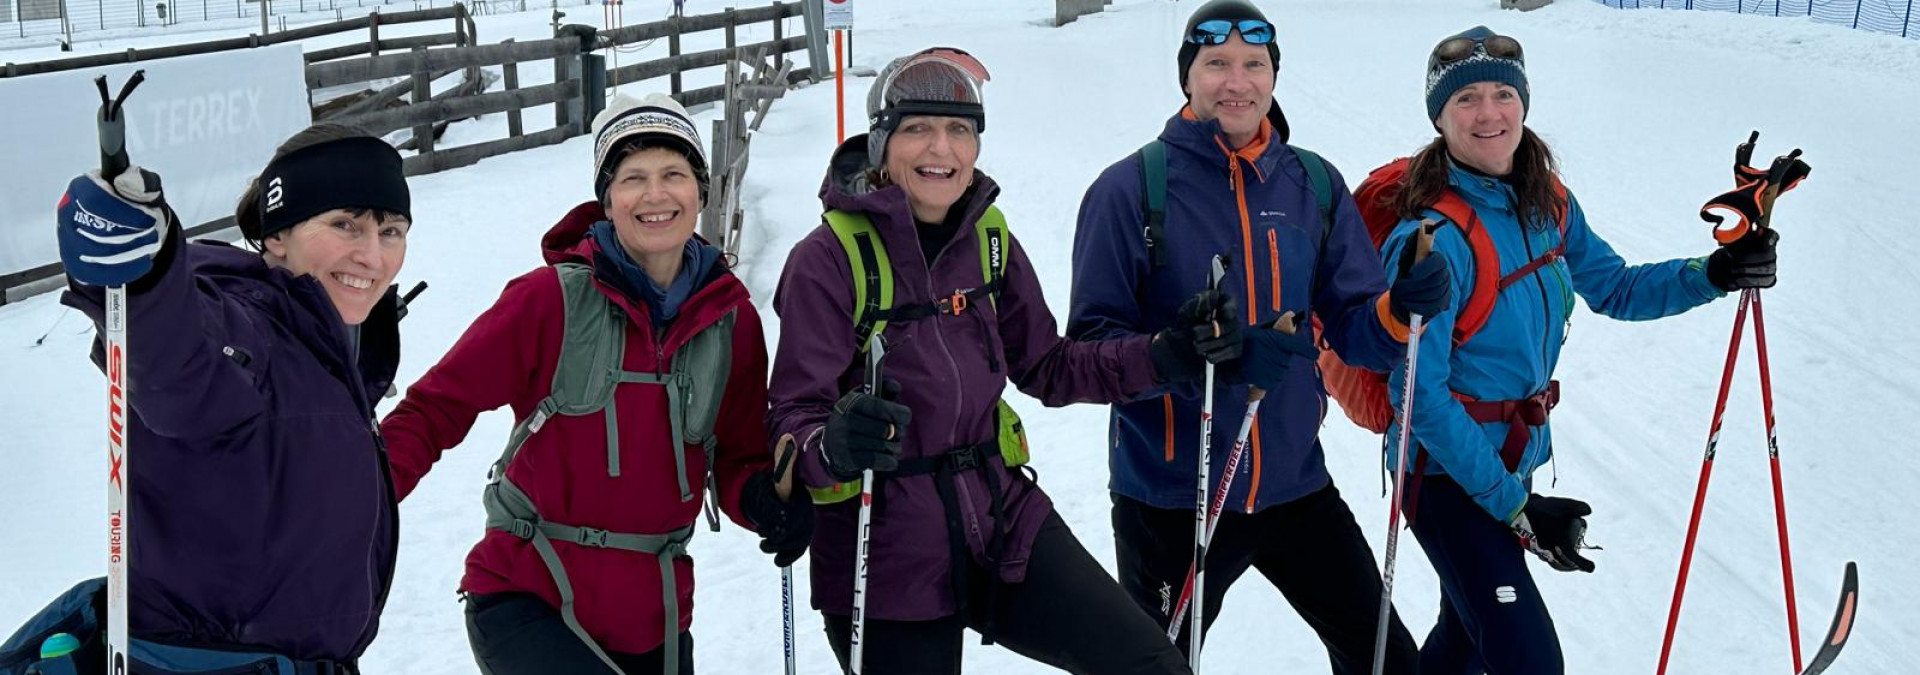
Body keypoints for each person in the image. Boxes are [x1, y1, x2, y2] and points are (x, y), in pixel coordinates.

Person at [766, 47, 1199, 674]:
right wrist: (831, 444)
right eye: (917, 128)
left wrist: (1161, 355)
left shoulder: (988, 238)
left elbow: (1048, 365)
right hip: (883, 550)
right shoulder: (829, 258)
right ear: (882, 143)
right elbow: (793, 413)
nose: (941, 148)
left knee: (1151, 664)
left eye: (959, 130)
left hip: (1000, 520)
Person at [1375, 26, 1783, 674]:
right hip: (1445, 474)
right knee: (1527, 657)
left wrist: (1715, 272)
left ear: (1523, 103)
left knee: (1467, 636)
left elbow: (1616, 287)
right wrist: (1516, 506)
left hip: (1512, 460)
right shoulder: (1432, 239)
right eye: (1466, 99)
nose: (1488, 114)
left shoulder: (1547, 202)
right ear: (1439, 118)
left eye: (1503, 95)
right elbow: (1417, 397)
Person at [1066, 1, 1452, 673]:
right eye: (1216, 63)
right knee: (1153, 666)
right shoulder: (1130, 190)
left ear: (1274, 76)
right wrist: (1189, 353)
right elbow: (1087, 356)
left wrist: (1400, 309)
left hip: (1293, 484)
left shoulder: (1313, 184)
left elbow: (1359, 333)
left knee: (1387, 660)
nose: (1236, 82)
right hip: (1172, 495)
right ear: (1188, 76)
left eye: (1254, 64)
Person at [377, 93, 809, 675]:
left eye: (674, 174)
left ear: (700, 192)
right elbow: (436, 407)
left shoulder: (731, 322)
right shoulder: (547, 301)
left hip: (655, 614)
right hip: (529, 593)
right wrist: (361, 498)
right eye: (633, 178)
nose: (655, 195)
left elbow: (738, 454)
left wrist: (761, 500)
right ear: (607, 200)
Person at [47, 123, 415, 672]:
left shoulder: (329, 342)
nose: (372, 256)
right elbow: (180, 360)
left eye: (391, 231)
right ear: (277, 235)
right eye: (345, 225)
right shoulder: (248, 324)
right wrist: (145, 276)